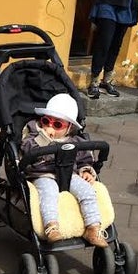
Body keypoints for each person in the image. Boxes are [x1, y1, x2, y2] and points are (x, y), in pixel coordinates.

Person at [20, 93, 108, 248]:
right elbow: (26, 148)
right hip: (42, 174)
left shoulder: (74, 141)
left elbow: (85, 158)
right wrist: (44, 138)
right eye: (46, 120)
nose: (49, 126)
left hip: (69, 175)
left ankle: (93, 228)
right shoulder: (34, 132)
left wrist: (86, 170)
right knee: (49, 192)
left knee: (87, 191)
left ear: (69, 127)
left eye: (57, 125)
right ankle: (51, 227)